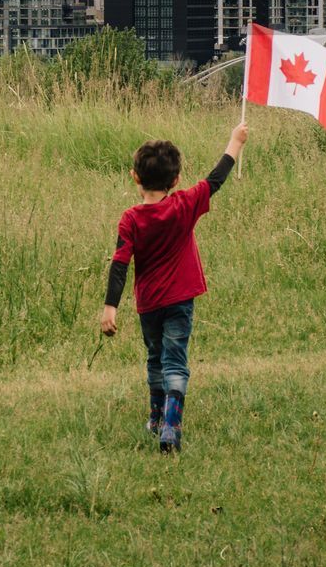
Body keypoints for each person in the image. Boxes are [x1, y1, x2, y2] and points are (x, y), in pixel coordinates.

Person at [101, 122, 249, 453]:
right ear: (176, 180)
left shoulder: (131, 220)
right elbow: (215, 181)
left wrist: (111, 306)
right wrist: (234, 143)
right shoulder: (184, 205)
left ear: (135, 177)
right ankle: (172, 424)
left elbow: (120, 263)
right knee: (176, 360)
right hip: (181, 301)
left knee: (155, 358)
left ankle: (155, 419)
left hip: (149, 305)